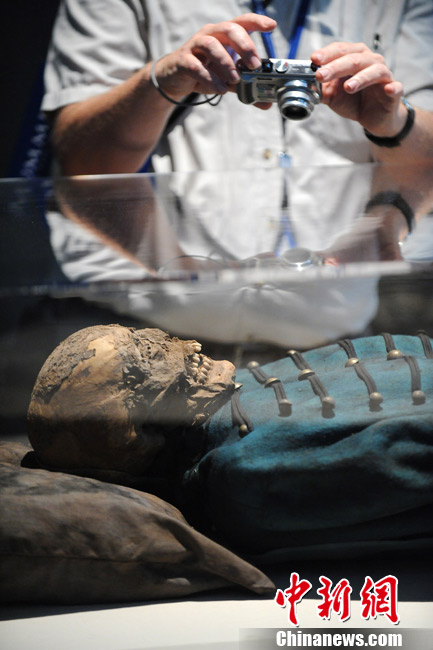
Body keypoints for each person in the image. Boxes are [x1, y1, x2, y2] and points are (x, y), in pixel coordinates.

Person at [42, 0, 433, 176]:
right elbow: (81, 164)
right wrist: (163, 81)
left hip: (337, 305)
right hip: (152, 305)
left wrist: (394, 123)